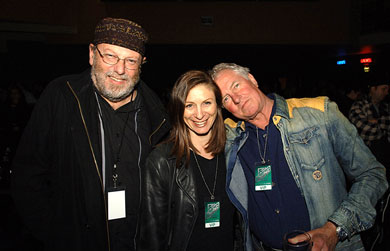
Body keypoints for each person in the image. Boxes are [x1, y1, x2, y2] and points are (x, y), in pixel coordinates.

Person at [11, 17, 171, 251]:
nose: (119, 69)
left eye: (130, 60)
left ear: (142, 64)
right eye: (110, 56)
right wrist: (57, 235)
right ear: (92, 54)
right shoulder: (62, 97)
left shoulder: (157, 114)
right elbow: (27, 175)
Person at [209, 62, 388, 251]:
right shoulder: (230, 137)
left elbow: (373, 175)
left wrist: (334, 229)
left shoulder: (319, 115)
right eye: (226, 99)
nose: (236, 98)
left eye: (236, 85)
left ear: (252, 79)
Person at [138, 70, 237, 251]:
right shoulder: (161, 161)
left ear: (218, 106)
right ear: (178, 109)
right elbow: (152, 236)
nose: (199, 114)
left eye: (207, 103)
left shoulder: (233, 152)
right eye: (189, 105)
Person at [349, 74, 390, 178]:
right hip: (367, 163)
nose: (386, 92)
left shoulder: (385, 106)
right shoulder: (358, 105)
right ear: (373, 89)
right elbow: (366, 132)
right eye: (383, 89)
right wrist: (384, 124)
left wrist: (376, 121)